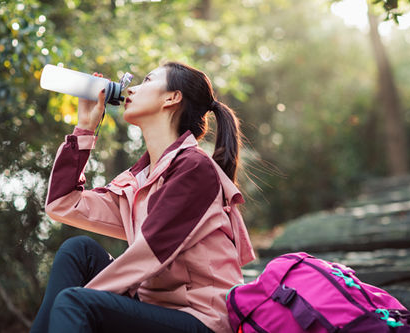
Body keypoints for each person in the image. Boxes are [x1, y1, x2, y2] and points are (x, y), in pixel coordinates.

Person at [30, 61, 255, 333]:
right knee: (78, 251)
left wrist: (77, 304)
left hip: (202, 320)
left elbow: (150, 252)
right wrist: (85, 130)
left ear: (172, 98)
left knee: (73, 302)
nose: (132, 90)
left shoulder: (195, 168)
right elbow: (62, 205)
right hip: (154, 309)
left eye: (147, 81)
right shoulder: (139, 181)